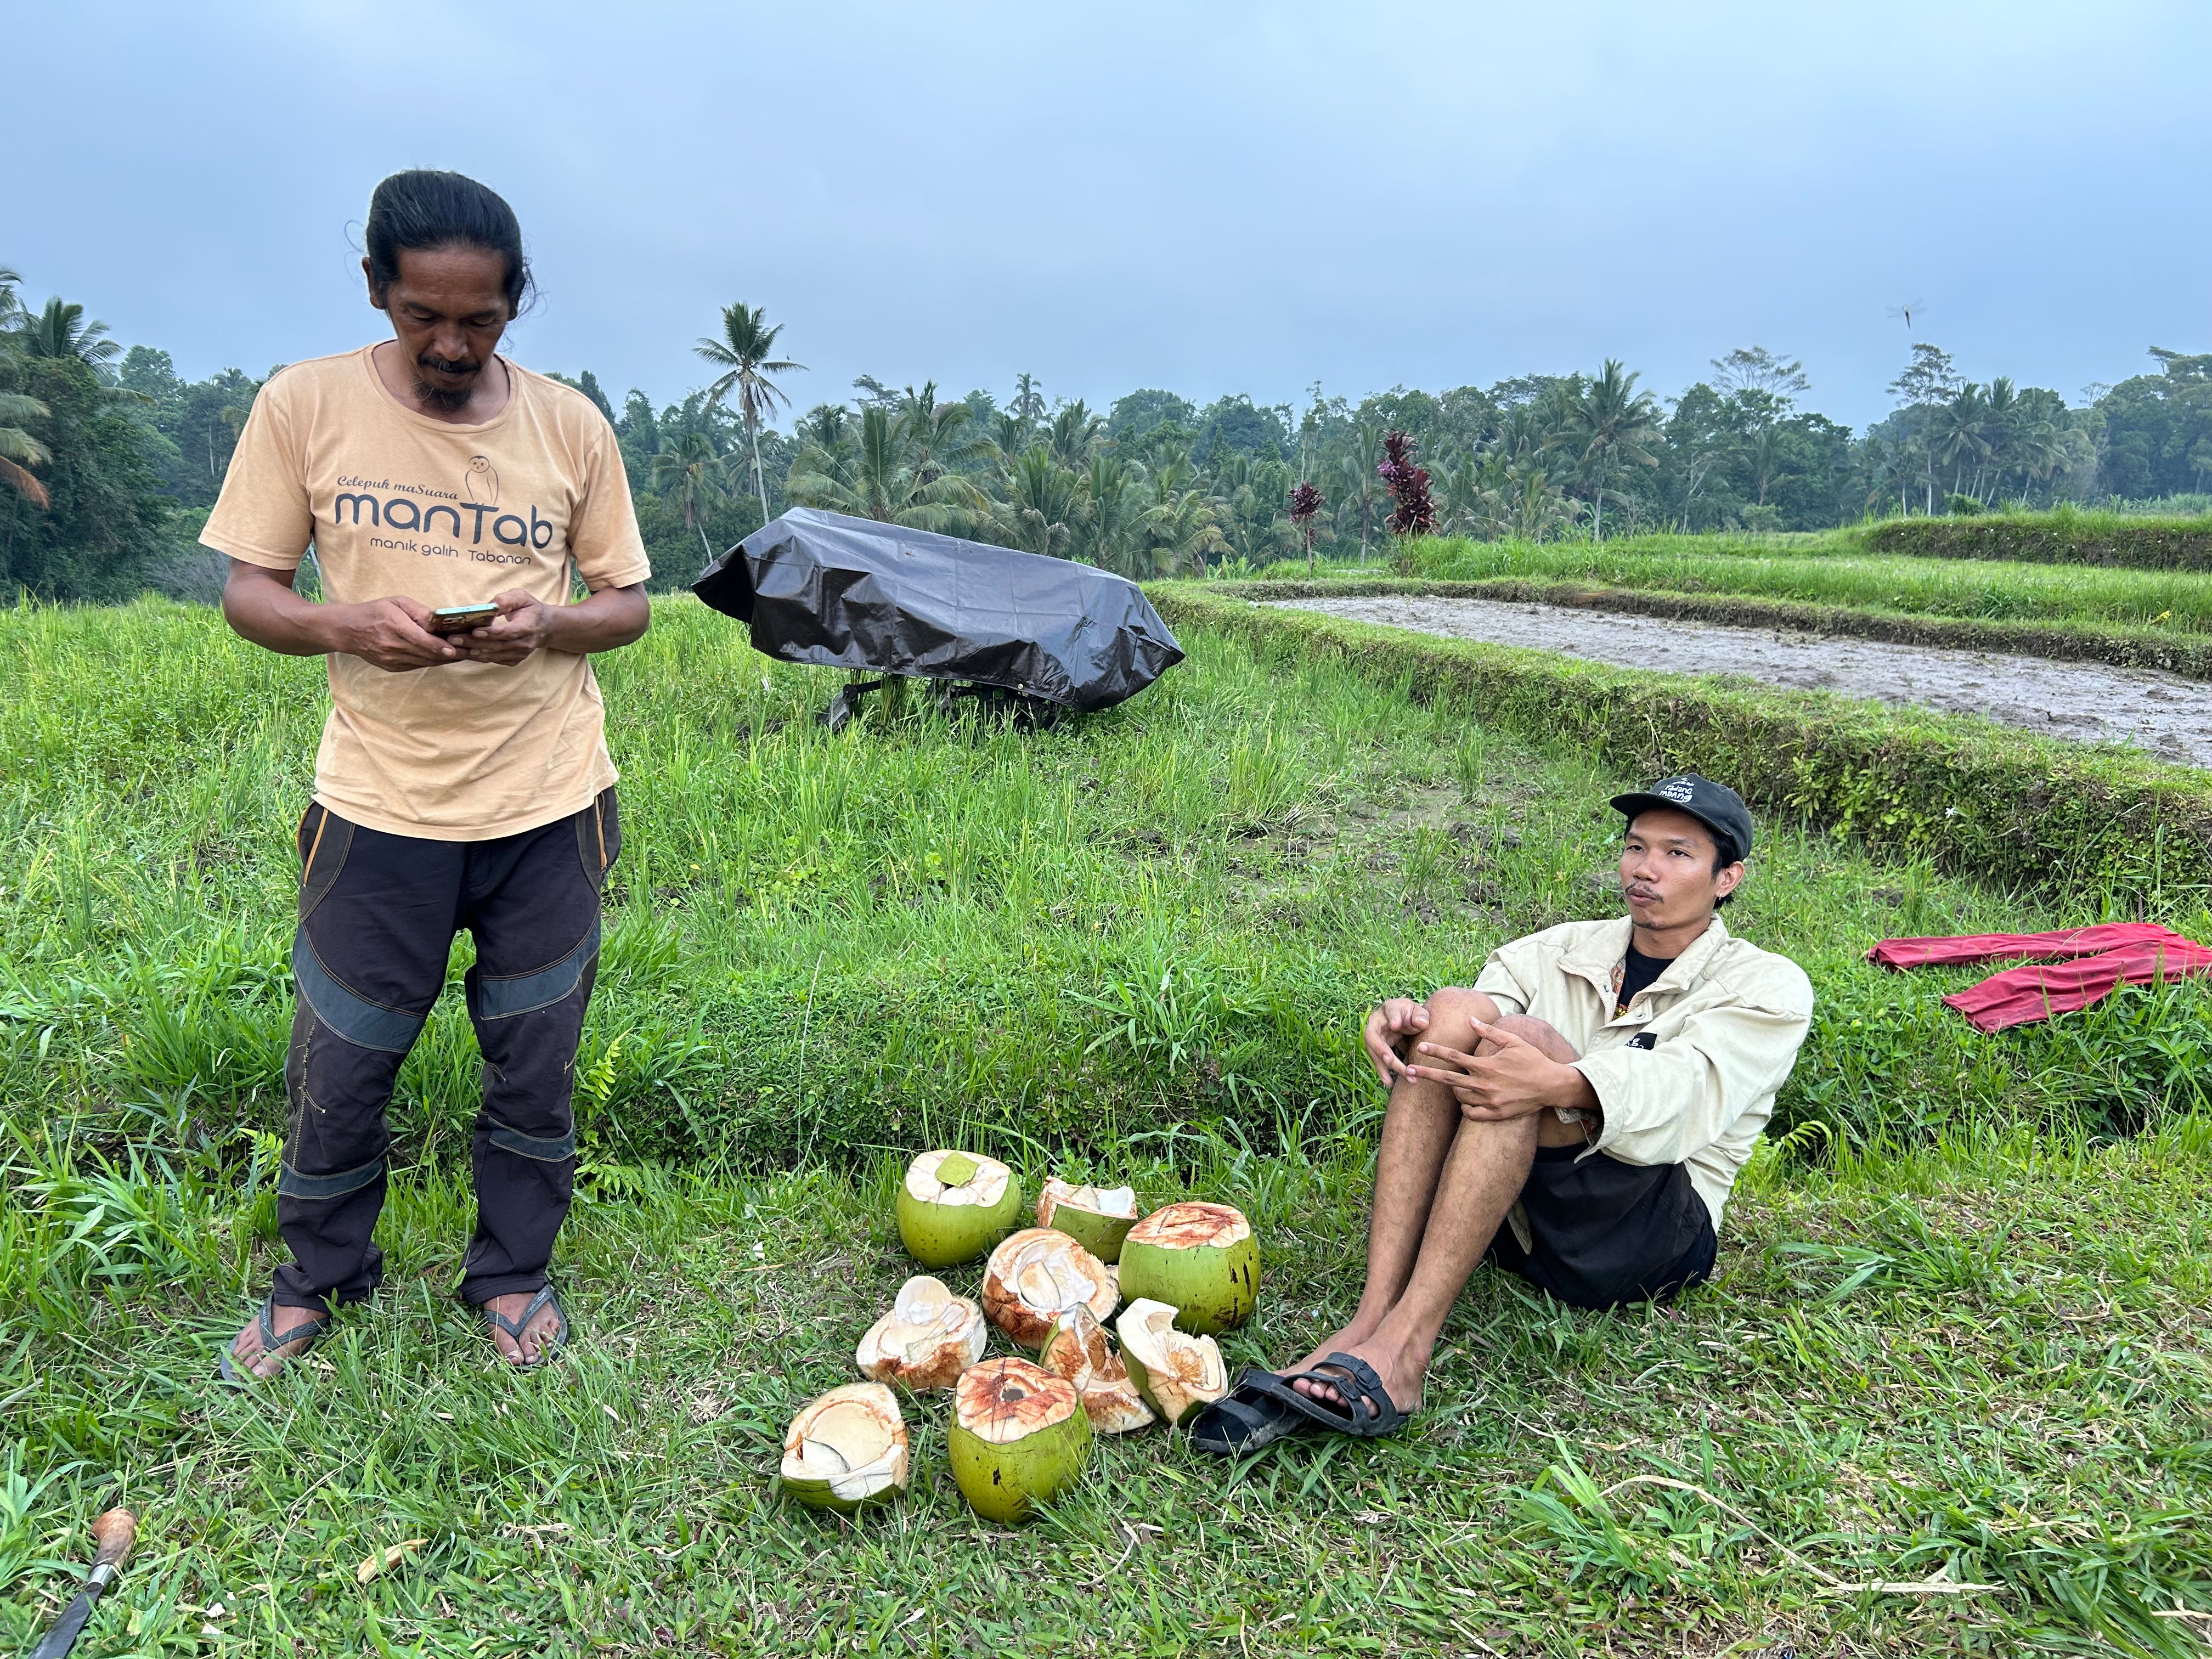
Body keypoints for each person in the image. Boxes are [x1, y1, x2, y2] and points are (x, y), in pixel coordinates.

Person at [206, 170, 652, 1379]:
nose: (452, 345)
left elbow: (628, 606)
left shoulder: (569, 426)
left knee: (535, 1050)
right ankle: (320, 1276)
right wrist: (348, 625)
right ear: (375, 291)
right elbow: (250, 591)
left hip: (546, 798)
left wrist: (547, 624)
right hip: (379, 802)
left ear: (515, 304)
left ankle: (511, 1275)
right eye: (424, 317)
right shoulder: (303, 407)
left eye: (482, 321)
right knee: (342, 1053)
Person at [1192, 775, 1814, 1449]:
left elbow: (1686, 1097)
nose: (1646, 870)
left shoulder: (1767, 985)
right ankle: (1372, 1315)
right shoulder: (1565, 947)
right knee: (1459, 1010)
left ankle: (1406, 1349)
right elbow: (1463, 1030)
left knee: (1521, 1046)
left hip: (1644, 1234)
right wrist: (1411, 1027)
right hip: (1517, 1225)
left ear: (1728, 878)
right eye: (1636, 848)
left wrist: (1560, 1081)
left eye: (1677, 854)